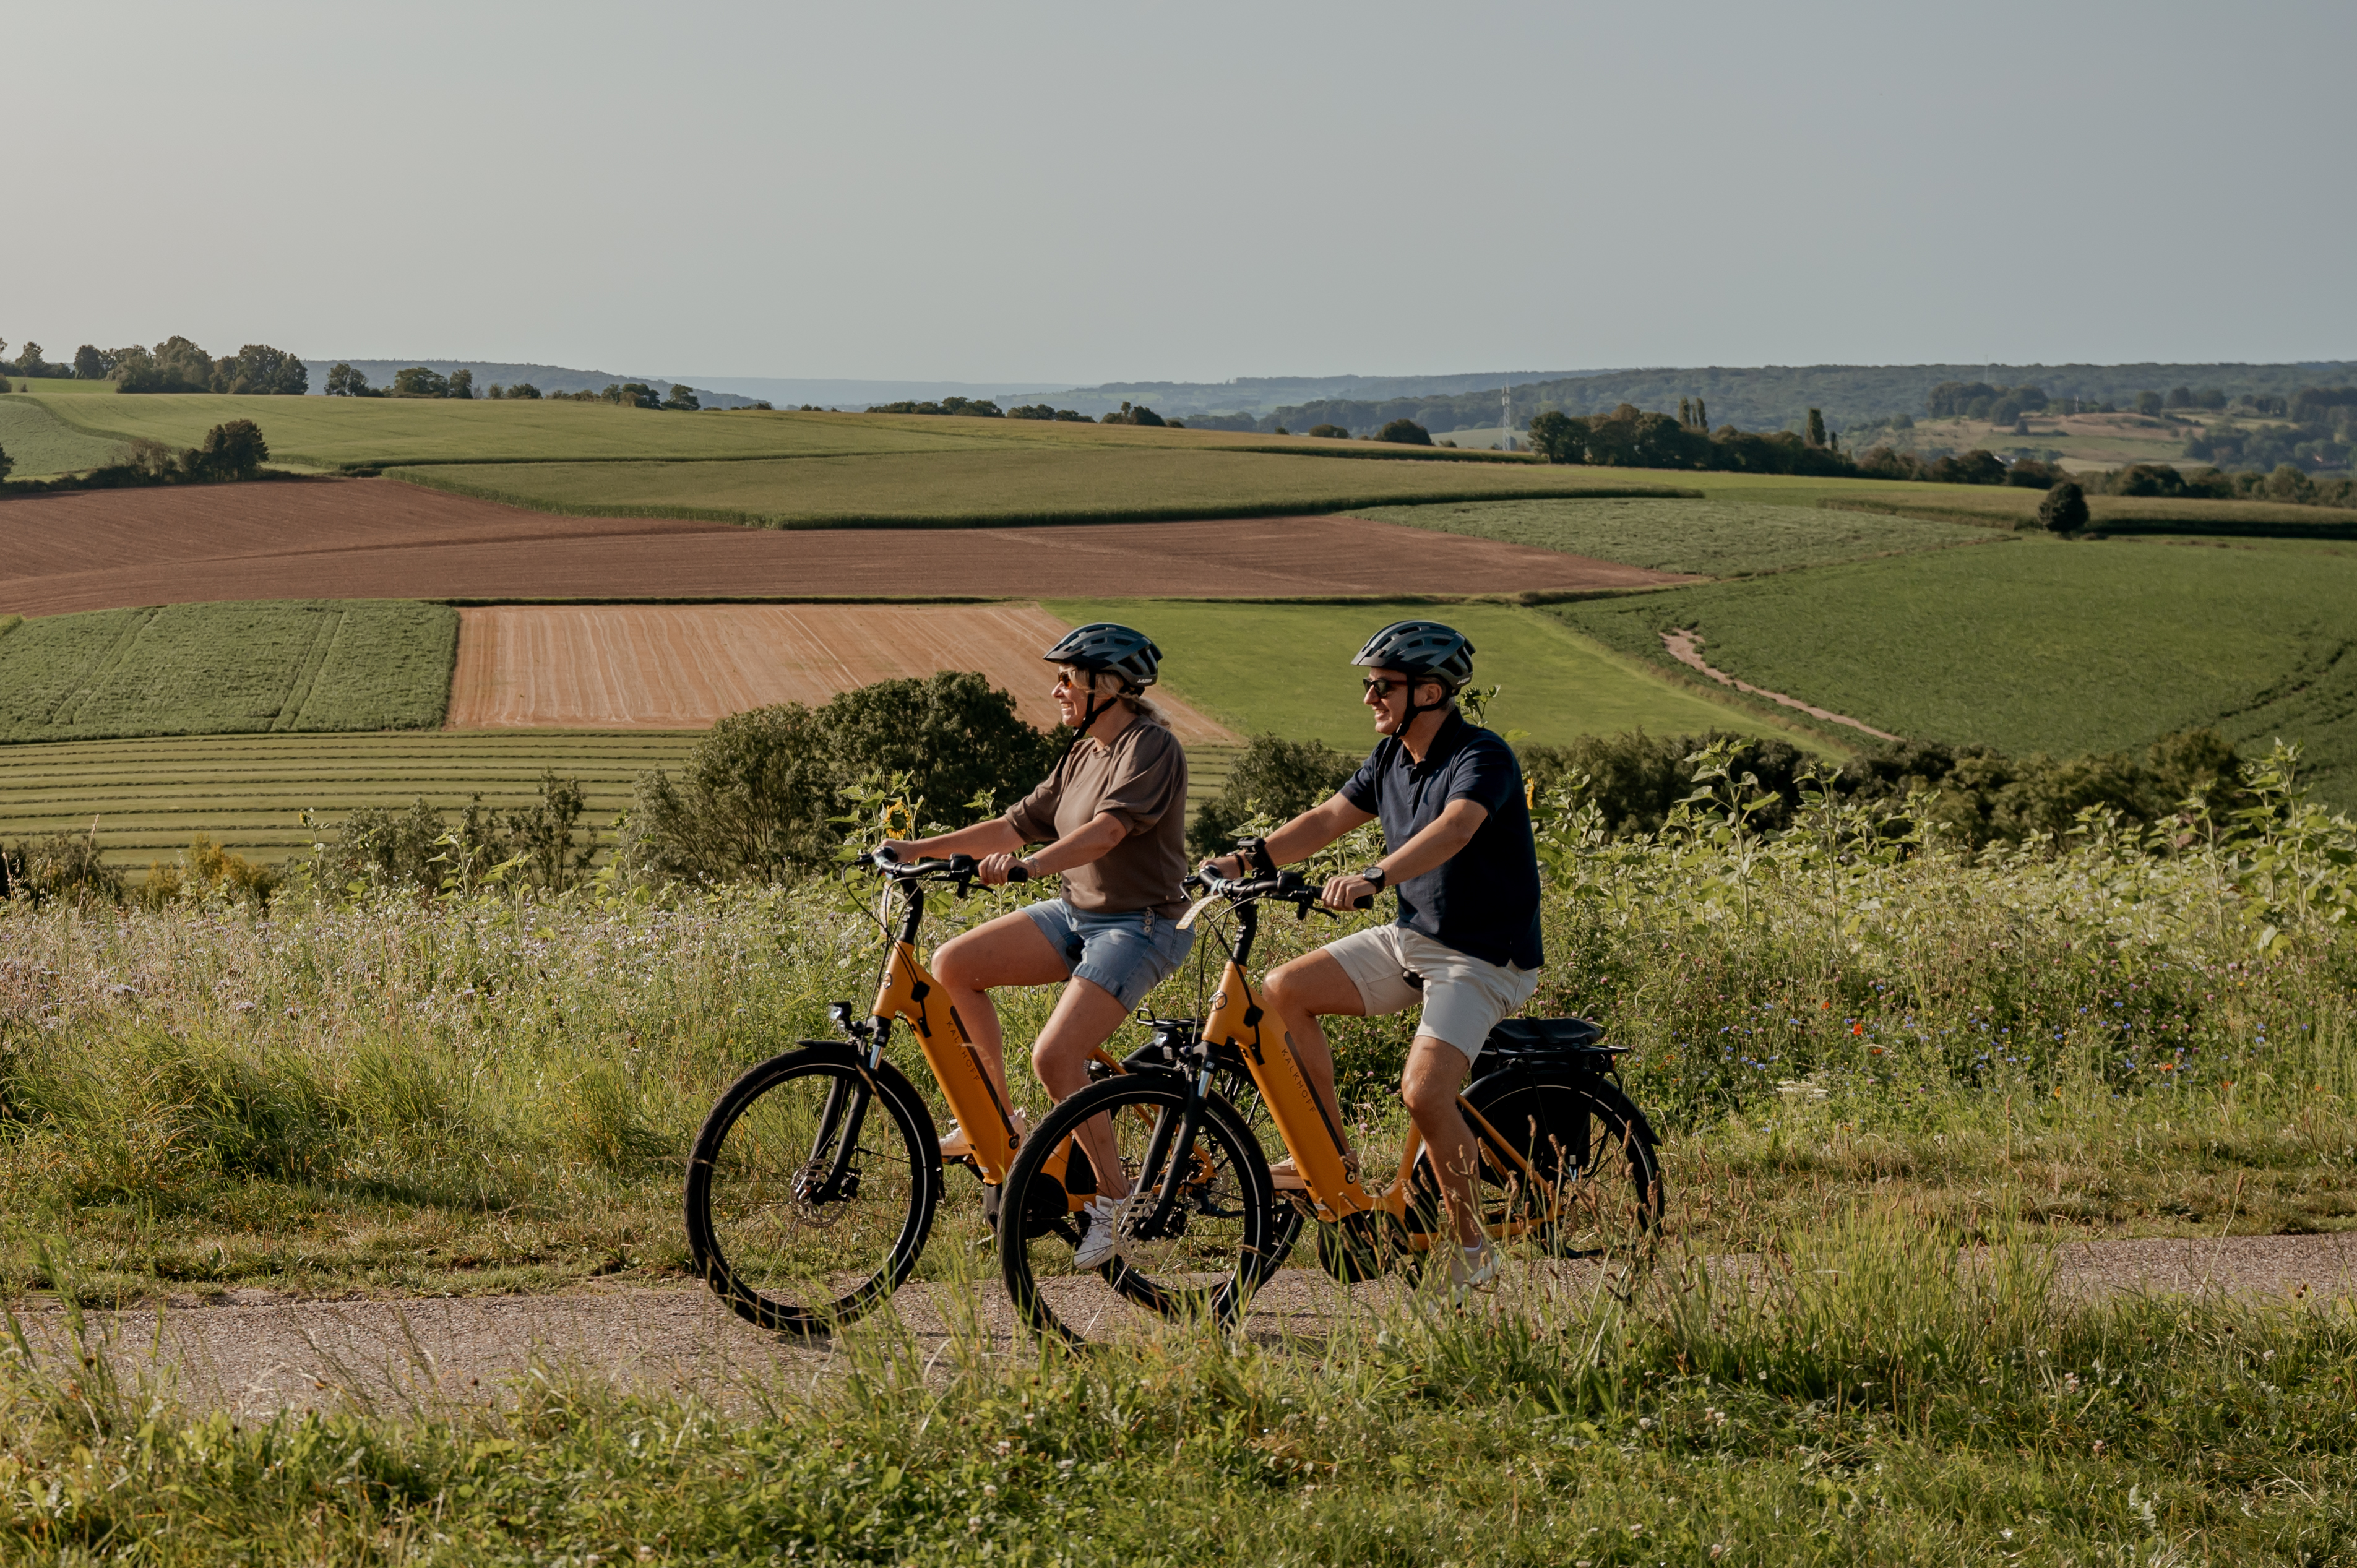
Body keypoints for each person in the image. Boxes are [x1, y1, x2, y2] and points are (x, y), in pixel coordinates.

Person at [1200, 620, 1541, 1294]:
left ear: (1431, 690)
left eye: (1381, 685)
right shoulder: (1390, 758)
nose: (1368, 698)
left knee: (1423, 1091)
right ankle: (1336, 1167)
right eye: (1368, 684)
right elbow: (1327, 818)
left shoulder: (1481, 755)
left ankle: (1472, 1251)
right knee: (1282, 990)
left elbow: (1455, 828)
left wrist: (1375, 877)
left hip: (1481, 956)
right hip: (1416, 935)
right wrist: (1247, 859)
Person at [881, 623, 1192, 1269]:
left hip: (1140, 923)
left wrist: (1030, 867)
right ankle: (990, 1120)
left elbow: (1107, 831)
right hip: (1079, 912)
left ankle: (1115, 1200)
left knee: (1056, 1056)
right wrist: (916, 849)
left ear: (1105, 685)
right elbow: (1014, 824)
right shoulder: (1082, 751)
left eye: (1066, 678)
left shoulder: (1149, 746)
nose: (1055, 689)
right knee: (954, 965)